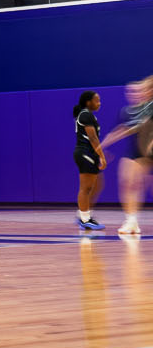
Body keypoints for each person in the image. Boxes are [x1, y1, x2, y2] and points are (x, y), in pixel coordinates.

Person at [100, 77, 150, 237]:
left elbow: (138, 128)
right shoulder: (126, 111)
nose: (134, 94)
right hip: (133, 151)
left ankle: (132, 220)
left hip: (148, 151)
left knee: (138, 183)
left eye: (138, 90)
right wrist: (101, 147)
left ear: (147, 92)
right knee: (126, 182)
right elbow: (119, 130)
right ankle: (131, 220)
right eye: (130, 91)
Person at [73, 90, 106, 232]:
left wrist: (98, 154)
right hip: (85, 153)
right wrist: (102, 155)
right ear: (88, 102)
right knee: (85, 188)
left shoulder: (88, 115)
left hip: (89, 154)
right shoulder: (86, 114)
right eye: (97, 100)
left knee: (98, 184)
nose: (99, 103)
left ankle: (83, 213)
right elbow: (92, 138)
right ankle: (85, 219)